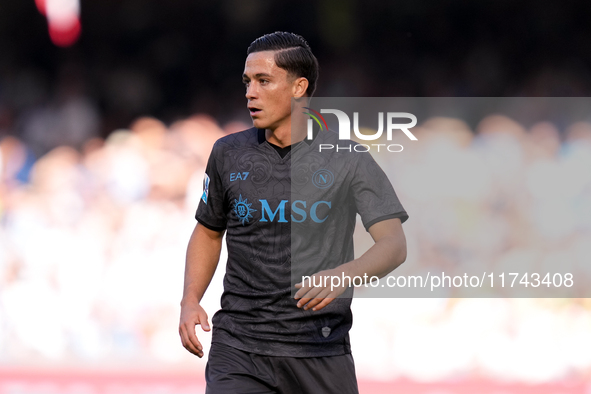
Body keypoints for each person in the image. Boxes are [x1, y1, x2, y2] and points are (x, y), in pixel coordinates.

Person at [179, 31, 408, 394]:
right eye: (247, 81)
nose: (250, 92)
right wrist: (190, 300)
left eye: (263, 80)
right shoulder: (227, 153)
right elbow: (208, 231)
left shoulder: (348, 158)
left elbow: (393, 244)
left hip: (320, 350)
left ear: (299, 87)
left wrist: (343, 275)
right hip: (239, 348)